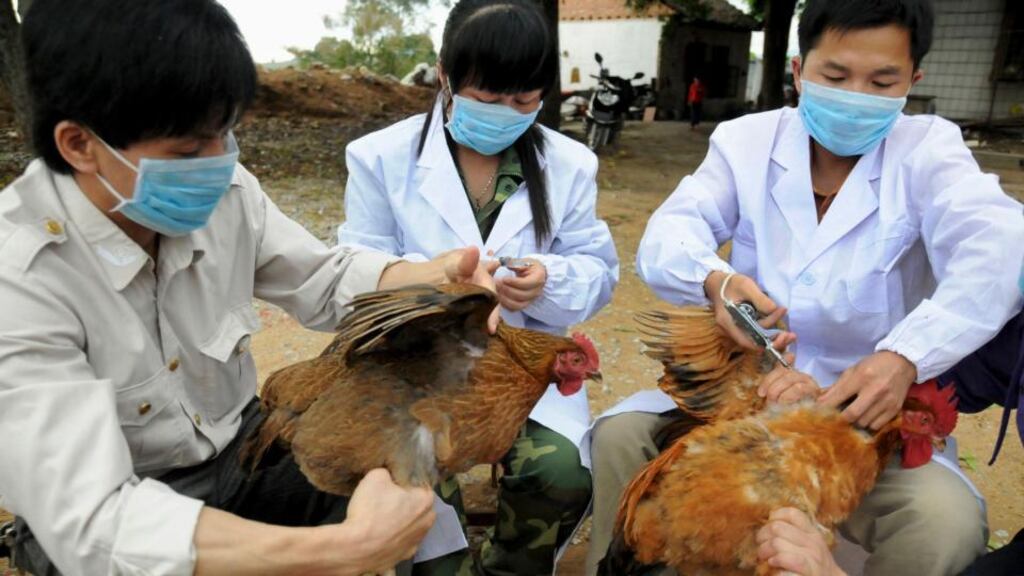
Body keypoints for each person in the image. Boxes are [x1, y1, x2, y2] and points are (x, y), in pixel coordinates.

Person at [0, 0, 504, 574]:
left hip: (240, 454)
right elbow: (93, 521)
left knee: (384, 478)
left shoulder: (225, 190)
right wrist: (340, 551)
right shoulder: (17, 280)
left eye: (226, 134)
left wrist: (433, 277)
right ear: (78, 144)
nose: (219, 163)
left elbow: (323, 276)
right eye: (188, 151)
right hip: (121, 506)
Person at [585, 0, 1024, 574]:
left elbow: (1001, 248)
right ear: (798, 71)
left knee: (945, 523)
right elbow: (669, 234)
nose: (856, 95)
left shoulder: (931, 153)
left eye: (882, 80)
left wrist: (904, 357)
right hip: (747, 397)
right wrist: (716, 281)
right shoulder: (746, 142)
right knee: (622, 436)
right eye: (835, 76)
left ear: (913, 80)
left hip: (864, 424)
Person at [336, 1, 619, 573]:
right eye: (488, 99)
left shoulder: (570, 164)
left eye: (523, 101)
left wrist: (547, 279)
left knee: (561, 472)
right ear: (445, 73)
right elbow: (356, 271)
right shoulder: (378, 158)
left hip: (520, 372)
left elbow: (598, 270)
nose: (505, 113)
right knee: (414, 484)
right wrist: (442, 286)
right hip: (414, 368)